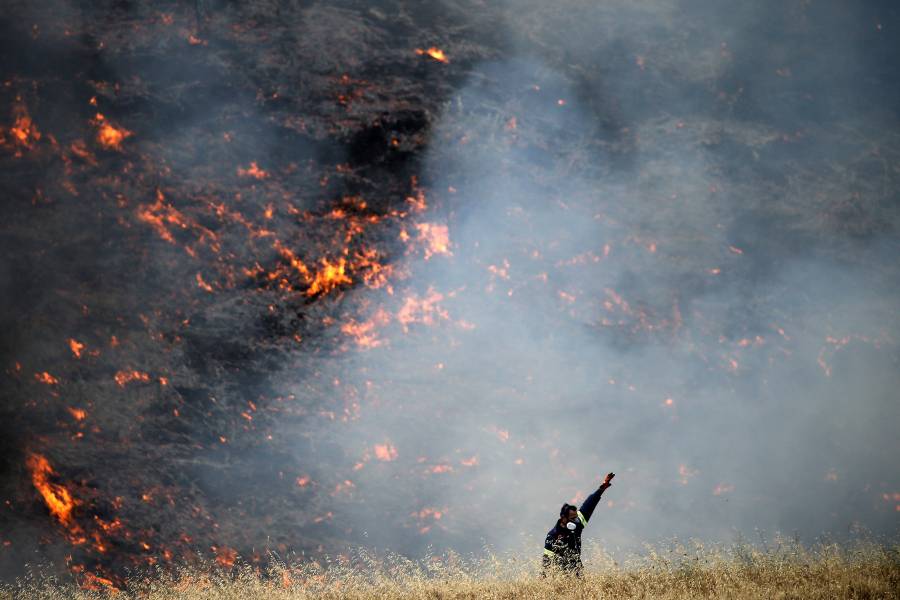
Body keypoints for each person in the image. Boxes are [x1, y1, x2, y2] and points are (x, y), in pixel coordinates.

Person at [542, 472, 615, 576]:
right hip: (560, 575)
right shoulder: (552, 535)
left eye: (576, 516)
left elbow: (589, 504)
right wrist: (544, 578)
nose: (576, 519)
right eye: (573, 518)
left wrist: (602, 487)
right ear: (563, 518)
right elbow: (546, 560)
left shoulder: (577, 524)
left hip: (577, 569)